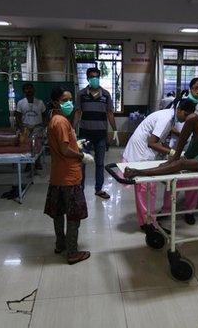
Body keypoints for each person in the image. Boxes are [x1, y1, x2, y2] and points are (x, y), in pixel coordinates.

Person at [122, 99, 197, 229]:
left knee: (149, 189)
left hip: (144, 152)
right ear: (179, 110)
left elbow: (159, 139)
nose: (186, 119)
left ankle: (148, 219)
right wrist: (173, 152)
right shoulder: (167, 118)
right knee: (145, 189)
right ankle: (146, 222)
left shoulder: (170, 117)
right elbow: (152, 142)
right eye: (185, 115)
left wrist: (169, 149)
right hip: (141, 153)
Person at [45, 87, 94, 265]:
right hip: (69, 176)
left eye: (71, 99)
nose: (70, 103)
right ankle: (72, 252)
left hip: (57, 176)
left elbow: (62, 145)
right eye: (66, 100)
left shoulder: (54, 120)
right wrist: (81, 155)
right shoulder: (62, 122)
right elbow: (65, 150)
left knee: (58, 213)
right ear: (56, 102)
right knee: (73, 216)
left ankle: (60, 244)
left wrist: (76, 143)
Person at [161, 78, 198, 225]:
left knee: (193, 182)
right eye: (196, 88)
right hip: (176, 148)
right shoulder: (179, 103)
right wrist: (183, 135)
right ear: (190, 88)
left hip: (195, 150)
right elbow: (168, 124)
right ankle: (166, 210)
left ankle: (189, 211)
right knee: (172, 180)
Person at [73, 67, 118, 199]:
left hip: (100, 135)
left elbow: (110, 113)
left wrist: (115, 130)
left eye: (97, 77)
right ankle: (79, 189)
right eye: (92, 77)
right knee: (82, 162)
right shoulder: (81, 94)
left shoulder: (106, 94)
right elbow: (77, 113)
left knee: (100, 163)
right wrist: (71, 129)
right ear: (87, 78)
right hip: (84, 135)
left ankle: (99, 189)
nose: (95, 79)